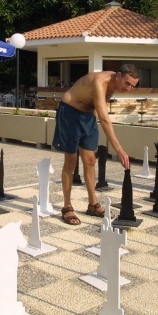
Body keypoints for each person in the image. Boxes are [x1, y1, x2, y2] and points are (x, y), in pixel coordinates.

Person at [53, 64, 139, 225]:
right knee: (71, 161)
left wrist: (88, 127)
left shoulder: (115, 85)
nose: (128, 88)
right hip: (70, 113)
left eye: (132, 86)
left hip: (87, 116)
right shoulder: (100, 82)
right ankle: (67, 207)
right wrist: (120, 150)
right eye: (127, 83)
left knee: (91, 160)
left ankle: (93, 205)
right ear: (118, 76)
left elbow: (98, 108)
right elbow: (105, 119)